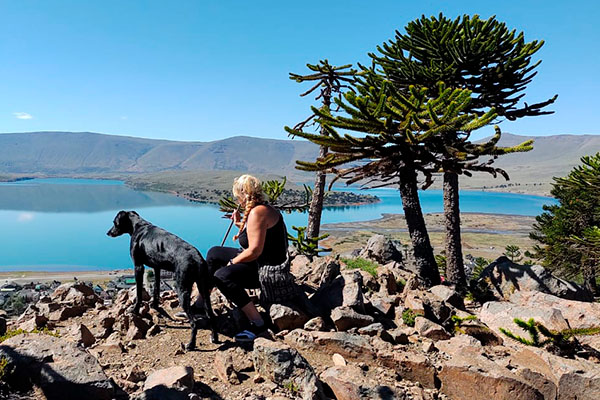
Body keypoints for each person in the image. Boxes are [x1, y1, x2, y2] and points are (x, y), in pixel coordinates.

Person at [207, 174, 288, 341]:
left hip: (266, 271)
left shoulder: (258, 213)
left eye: (238, 197)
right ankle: (202, 303)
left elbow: (254, 251)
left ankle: (258, 324)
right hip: (259, 262)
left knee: (222, 276)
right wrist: (239, 224)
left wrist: (232, 262)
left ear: (243, 195)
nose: (237, 201)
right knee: (214, 252)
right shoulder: (261, 209)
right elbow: (254, 234)